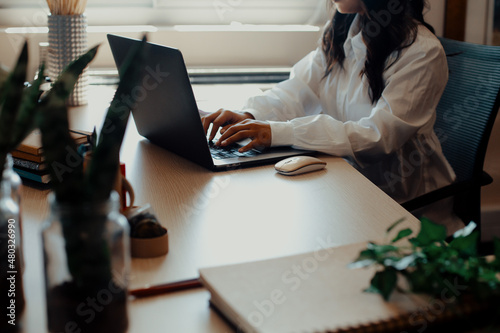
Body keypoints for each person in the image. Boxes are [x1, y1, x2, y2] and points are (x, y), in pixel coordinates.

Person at [201, 0, 464, 234]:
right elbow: (299, 89)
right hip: (345, 188)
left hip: (404, 209)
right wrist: (250, 115)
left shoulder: (422, 52)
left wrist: (277, 132)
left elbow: (377, 137)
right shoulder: (342, 29)